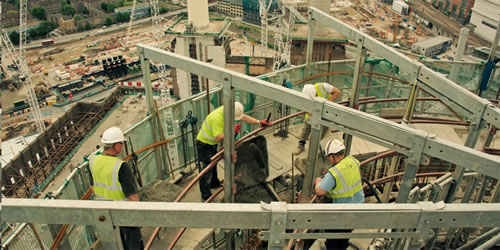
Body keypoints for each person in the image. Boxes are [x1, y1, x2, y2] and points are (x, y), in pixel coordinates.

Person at [196, 101, 272, 201]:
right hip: (204, 144)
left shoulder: (229, 110)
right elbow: (218, 137)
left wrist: (258, 122)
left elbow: (243, 117)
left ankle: (214, 183)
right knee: (206, 170)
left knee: (213, 165)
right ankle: (205, 195)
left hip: (211, 144)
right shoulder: (217, 118)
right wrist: (232, 130)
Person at [89, 127, 144, 250]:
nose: (123, 146)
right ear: (116, 146)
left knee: (117, 241)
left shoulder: (93, 161)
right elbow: (133, 196)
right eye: (121, 143)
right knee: (133, 240)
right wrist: (139, 216)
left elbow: (93, 186)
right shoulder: (121, 166)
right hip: (123, 210)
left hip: (104, 211)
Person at [304, 139, 364, 250]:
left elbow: (319, 191)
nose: (329, 160)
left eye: (329, 157)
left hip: (342, 214)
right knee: (345, 237)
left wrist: (318, 181)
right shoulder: (353, 161)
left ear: (332, 156)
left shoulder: (334, 173)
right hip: (357, 208)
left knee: (333, 240)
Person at [295, 82, 341, 155]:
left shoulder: (324, 87)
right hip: (313, 113)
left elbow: (337, 92)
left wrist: (326, 103)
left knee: (321, 133)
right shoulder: (306, 95)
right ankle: (301, 145)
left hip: (325, 114)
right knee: (306, 129)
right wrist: (311, 117)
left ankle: (314, 147)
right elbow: (305, 107)